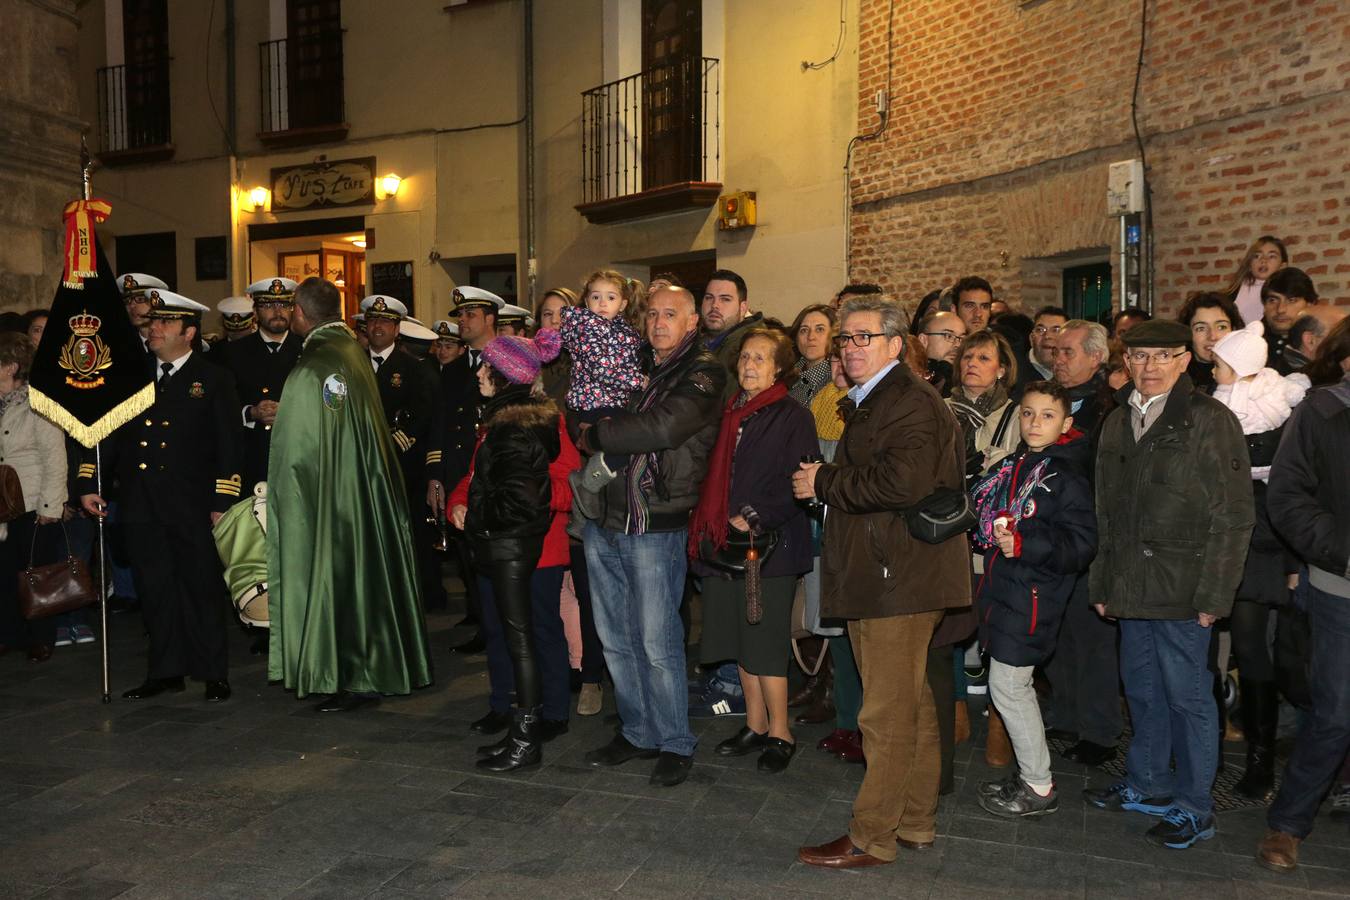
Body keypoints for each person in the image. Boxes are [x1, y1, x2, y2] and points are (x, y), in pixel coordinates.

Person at [793, 296, 970, 868]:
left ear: (897, 344)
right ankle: (915, 822)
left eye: (863, 336)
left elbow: (902, 483)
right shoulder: (874, 401)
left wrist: (825, 480)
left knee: (884, 714)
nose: (850, 347)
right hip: (886, 573)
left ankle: (873, 836)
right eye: (845, 338)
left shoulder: (909, 402)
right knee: (910, 706)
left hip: (902, 576)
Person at [1084, 318, 1254, 850]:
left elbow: (1234, 515)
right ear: (1125, 362)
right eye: (1139, 357)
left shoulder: (1208, 420)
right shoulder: (1116, 422)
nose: (1150, 367)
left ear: (1186, 361)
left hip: (1184, 587)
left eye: (1163, 356)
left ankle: (1195, 806)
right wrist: (1103, 580)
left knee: (1189, 697)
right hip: (1131, 584)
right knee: (1142, 689)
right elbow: (1104, 511)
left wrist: (1214, 596)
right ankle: (1149, 783)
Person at [577, 285, 725, 788]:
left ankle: (676, 740)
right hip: (605, 517)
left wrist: (597, 433)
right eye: (653, 313)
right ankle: (638, 730)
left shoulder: (704, 371)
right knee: (616, 637)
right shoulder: (629, 360)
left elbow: (663, 427)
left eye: (671, 314)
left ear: (691, 323)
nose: (659, 322)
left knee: (658, 641)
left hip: (654, 523)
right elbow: (579, 397)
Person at [266, 277, 433, 712]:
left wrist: (288, 496)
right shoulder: (349, 351)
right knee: (364, 578)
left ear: (300, 314)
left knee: (344, 579)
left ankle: (354, 676)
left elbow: (298, 450)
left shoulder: (315, 364)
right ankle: (365, 671)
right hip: (362, 486)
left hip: (336, 495)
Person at [78, 289, 242, 703]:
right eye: (152, 322)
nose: (154, 328)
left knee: (200, 588)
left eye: (164, 323)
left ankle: (211, 672)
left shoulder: (213, 379)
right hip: (141, 503)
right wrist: (88, 482)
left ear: (188, 332)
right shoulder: (132, 377)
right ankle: (165, 670)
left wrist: (222, 501)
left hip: (191, 504)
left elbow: (229, 445)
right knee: (155, 589)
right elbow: (105, 436)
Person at [689, 328, 817, 774]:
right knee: (740, 640)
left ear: (780, 367)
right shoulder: (730, 413)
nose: (749, 365)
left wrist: (755, 514)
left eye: (760, 359)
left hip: (770, 547)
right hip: (726, 547)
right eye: (745, 357)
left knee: (764, 643)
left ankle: (782, 731)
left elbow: (802, 482)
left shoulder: (792, 415)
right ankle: (756, 723)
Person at [972, 380, 1097, 818]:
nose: (1035, 422)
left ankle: (1039, 785)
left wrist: (1025, 544)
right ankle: (1031, 775)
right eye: (1027, 413)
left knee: (1009, 688)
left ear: (1066, 422)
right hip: (1008, 592)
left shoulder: (1066, 475)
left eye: (1047, 415)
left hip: (1034, 597)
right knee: (1008, 687)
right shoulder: (1022, 463)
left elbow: (1081, 545)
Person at [448, 329, 570, 771]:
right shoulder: (504, 420)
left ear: (502, 376)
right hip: (506, 544)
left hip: (520, 546)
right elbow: (484, 477)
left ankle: (533, 732)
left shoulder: (522, 426)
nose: (479, 372)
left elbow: (533, 493)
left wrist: (482, 515)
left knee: (530, 640)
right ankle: (517, 725)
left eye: (486, 366)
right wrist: (463, 502)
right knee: (513, 639)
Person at [1257, 326, 1350, 872]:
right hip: (1340, 586)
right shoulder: (1322, 412)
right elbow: (1288, 496)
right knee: (1336, 712)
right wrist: (1341, 551)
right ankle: (1288, 823)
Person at [1207, 320, 1307, 801]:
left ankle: (1260, 758)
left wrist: (1290, 562)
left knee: (1250, 648)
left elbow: (1290, 494)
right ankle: (1204, 746)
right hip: (1213, 540)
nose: (1214, 371)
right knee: (1207, 645)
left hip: (1258, 546)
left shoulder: (1275, 414)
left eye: (1221, 365)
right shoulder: (1216, 408)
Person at [1043, 317, 1121, 766]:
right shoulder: (1048, 399)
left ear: (1096, 357)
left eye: (1069, 351)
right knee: (1057, 632)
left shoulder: (1107, 408)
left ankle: (1100, 729)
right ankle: (1067, 715)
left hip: (1088, 533)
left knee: (1092, 638)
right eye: (1056, 351)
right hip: (1051, 534)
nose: (1059, 359)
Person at [428, 286, 506, 658]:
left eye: (469, 315)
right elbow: (440, 422)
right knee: (468, 556)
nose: (462, 321)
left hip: (495, 471)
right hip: (460, 472)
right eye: (460, 315)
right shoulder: (452, 367)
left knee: (492, 554)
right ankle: (482, 623)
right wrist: (436, 475)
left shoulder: (509, 358)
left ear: (490, 319)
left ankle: (499, 625)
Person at [0, 333, 70, 663]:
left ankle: (41, 638)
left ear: (11, 366)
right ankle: (9, 635)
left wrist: (50, 506)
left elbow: (54, 456)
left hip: (32, 501)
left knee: (37, 574)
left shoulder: (38, 402)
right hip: (2, 504)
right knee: (4, 572)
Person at [559, 271, 645, 520]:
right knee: (628, 445)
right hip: (595, 401)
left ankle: (583, 511)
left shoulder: (621, 330)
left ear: (623, 304)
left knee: (623, 449)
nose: (602, 303)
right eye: (596, 297)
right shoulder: (588, 327)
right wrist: (637, 381)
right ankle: (586, 483)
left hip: (613, 401)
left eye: (610, 297)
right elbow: (603, 370)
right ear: (586, 301)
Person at [947, 329, 1020, 482]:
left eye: (983, 358)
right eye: (967, 357)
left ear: (1001, 370)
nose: (971, 363)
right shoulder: (939, 408)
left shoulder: (1017, 416)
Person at [701, 269, 764, 395]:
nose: (714, 305)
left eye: (725, 299)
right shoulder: (695, 340)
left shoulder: (751, 346)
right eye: (709, 298)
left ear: (743, 308)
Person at [1177, 291, 1244, 391]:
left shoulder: (1250, 376)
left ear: (1234, 330)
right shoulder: (1174, 378)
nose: (1212, 336)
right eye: (1201, 328)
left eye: (1221, 327)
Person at [1260, 267, 1317, 373]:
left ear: (1310, 305)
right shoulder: (1247, 343)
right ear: (1264, 306)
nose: (1280, 309)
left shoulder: (1324, 346)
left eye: (1291, 300)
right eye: (1272, 300)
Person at [1225, 235, 1287, 326]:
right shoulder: (1231, 294)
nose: (1263, 260)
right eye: (1257, 256)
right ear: (1250, 264)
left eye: (1272, 256)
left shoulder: (1289, 294)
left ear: (1282, 266)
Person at [788, 304, 836, 406]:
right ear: (796, 338)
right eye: (804, 330)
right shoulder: (786, 374)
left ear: (834, 335)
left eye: (819, 329)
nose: (811, 337)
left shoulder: (836, 380)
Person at [916, 310, 966, 395]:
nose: (957, 345)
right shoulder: (909, 378)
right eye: (949, 336)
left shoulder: (968, 378)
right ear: (923, 340)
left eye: (962, 339)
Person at [1029, 306, 1068, 380]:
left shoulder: (1076, 373)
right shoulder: (1015, 374)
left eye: (1056, 330)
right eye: (1040, 330)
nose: (1047, 336)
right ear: (1031, 339)